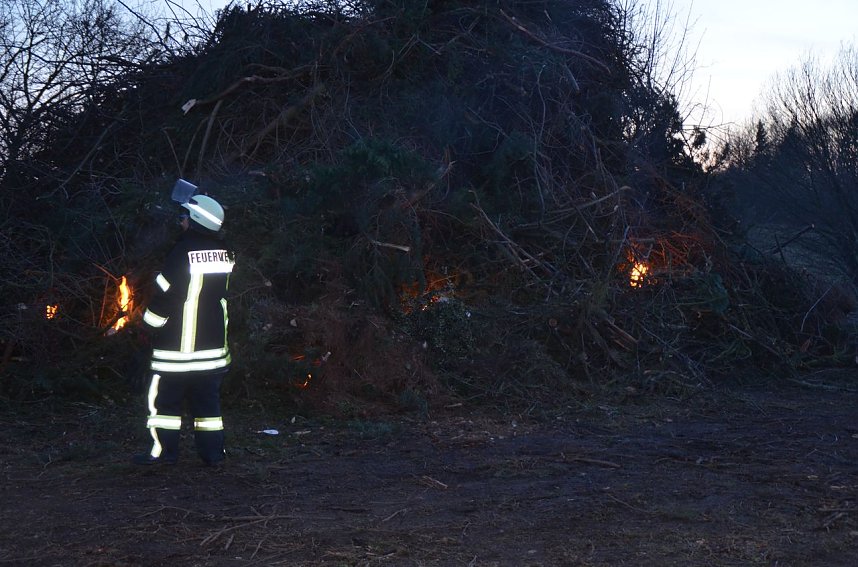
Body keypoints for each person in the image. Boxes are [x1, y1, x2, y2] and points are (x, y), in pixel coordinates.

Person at [133, 194, 235, 466]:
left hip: (175, 352)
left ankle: (163, 454)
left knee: (165, 405)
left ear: (196, 221)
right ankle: (213, 456)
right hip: (212, 349)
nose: (181, 222)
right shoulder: (225, 252)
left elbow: (166, 296)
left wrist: (146, 327)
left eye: (184, 217)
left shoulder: (181, 252)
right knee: (208, 410)